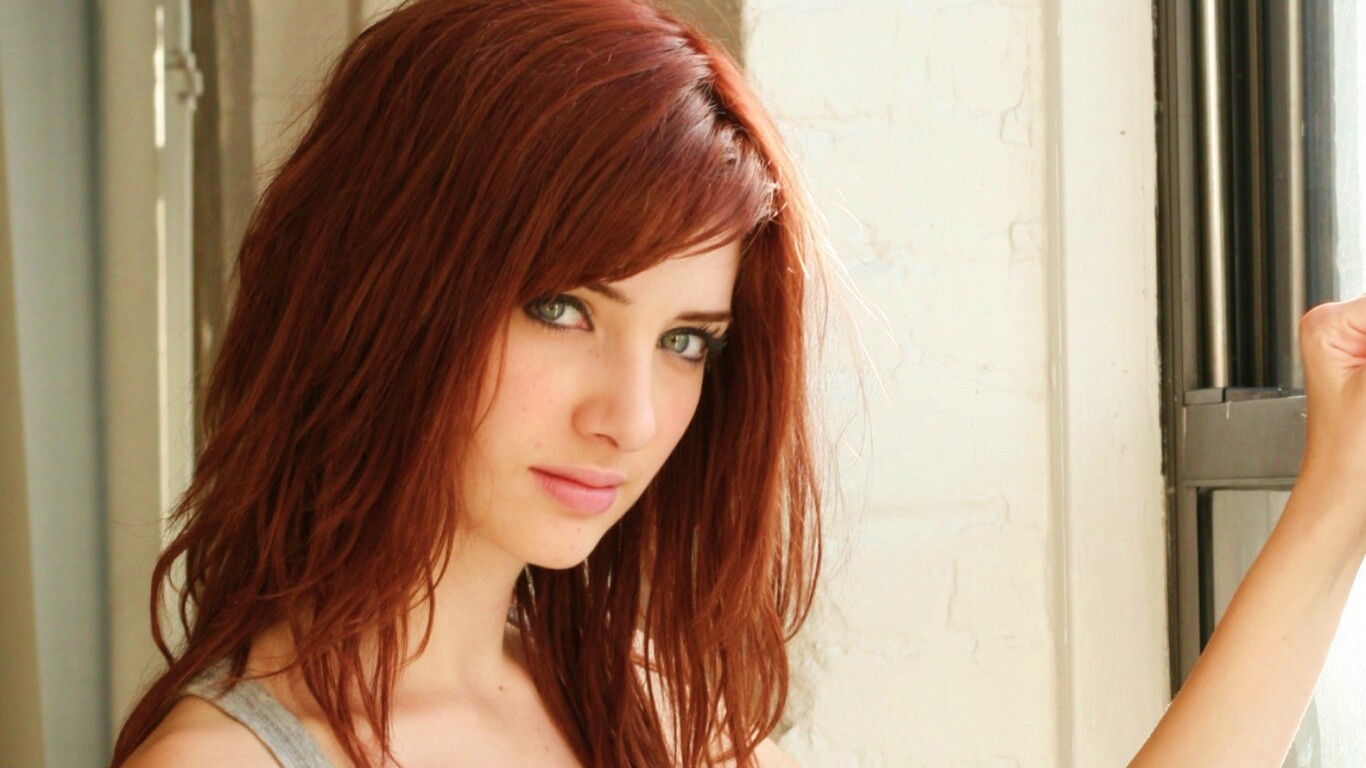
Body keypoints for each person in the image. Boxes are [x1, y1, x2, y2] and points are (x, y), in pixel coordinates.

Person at [109, 1, 1366, 767]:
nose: (629, 417)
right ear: (388, 287)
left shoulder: (631, 709)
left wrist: (1332, 506)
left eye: (686, 341)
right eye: (562, 309)